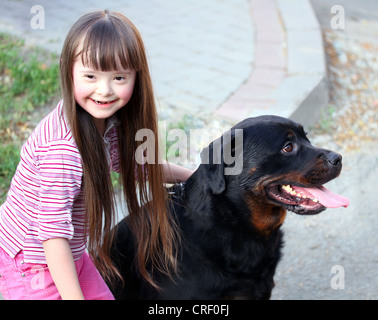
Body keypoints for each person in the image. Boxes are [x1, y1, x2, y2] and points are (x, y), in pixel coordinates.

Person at [0, 10, 193, 300]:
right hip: (32, 263)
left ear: (136, 78)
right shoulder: (62, 150)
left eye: (118, 77)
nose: (104, 90)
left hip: (70, 251)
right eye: (90, 76)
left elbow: (140, 167)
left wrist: (196, 177)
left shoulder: (104, 123)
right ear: (69, 72)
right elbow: (53, 237)